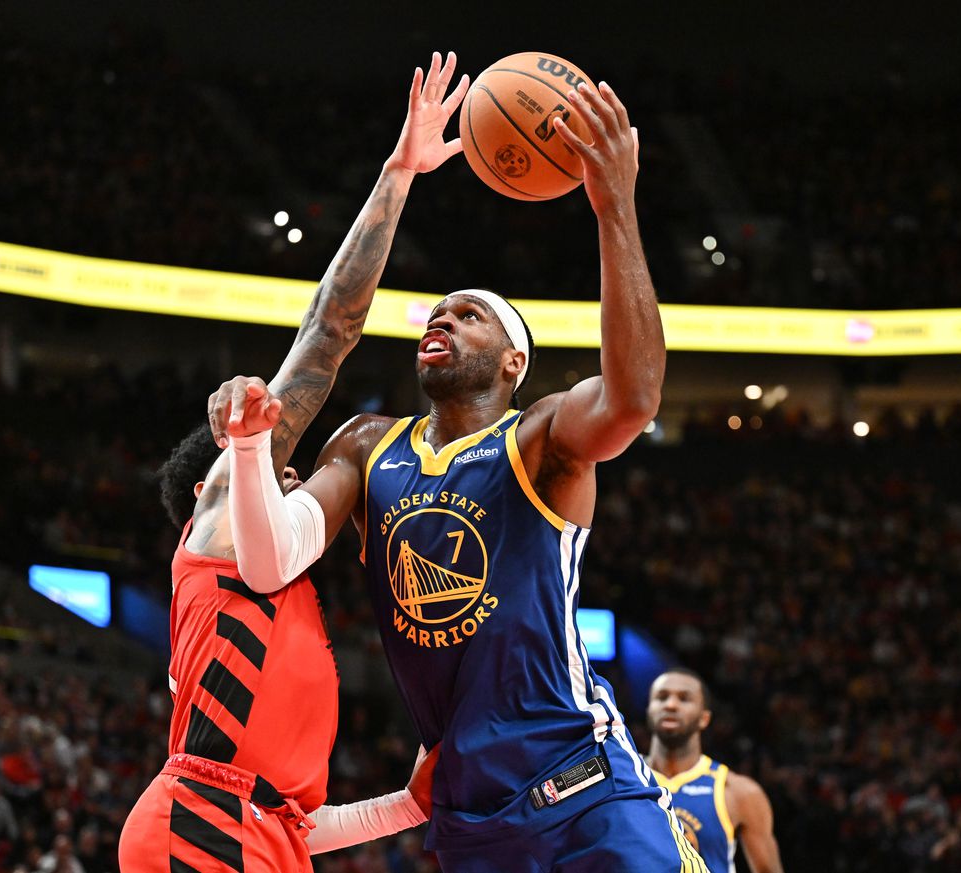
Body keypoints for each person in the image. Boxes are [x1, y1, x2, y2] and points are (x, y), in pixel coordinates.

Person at [217, 76, 707, 872]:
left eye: (469, 313)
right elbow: (271, 556)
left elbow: (633, 397)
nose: (443, 318)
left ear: (514, 361)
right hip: (470, 814)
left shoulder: (541, 436)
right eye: (437, 311)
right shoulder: (366, 444)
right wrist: (245, 448)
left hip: (585, 788)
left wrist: (615, 207)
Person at [119, 50, 469, 873]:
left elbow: (295, 821)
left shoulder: (287, 595)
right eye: (282, 464)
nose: (294, 468)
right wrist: (399, 174)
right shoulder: (217, 532)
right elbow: (326, 333)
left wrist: (408, 805)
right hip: (199, 819)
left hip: (251, 832)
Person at [646, 669, 783, 873]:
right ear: (649, 710)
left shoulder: (739, 791)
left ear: (704, 718)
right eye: (662, 697)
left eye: (684, 699)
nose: (671, 705)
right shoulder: (622, 778)